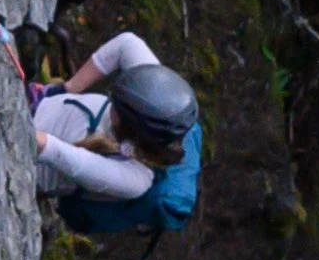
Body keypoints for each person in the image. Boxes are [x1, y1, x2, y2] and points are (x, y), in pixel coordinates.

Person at [33, 30, 200, 210]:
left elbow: (79, 164)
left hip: (30, 163)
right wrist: (66, 89)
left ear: (131, 127)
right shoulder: (149, 90)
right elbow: (127, 44)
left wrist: (31, 134)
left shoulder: (137, 180)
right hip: (40, 107)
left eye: (118, 106)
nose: (113, 101)